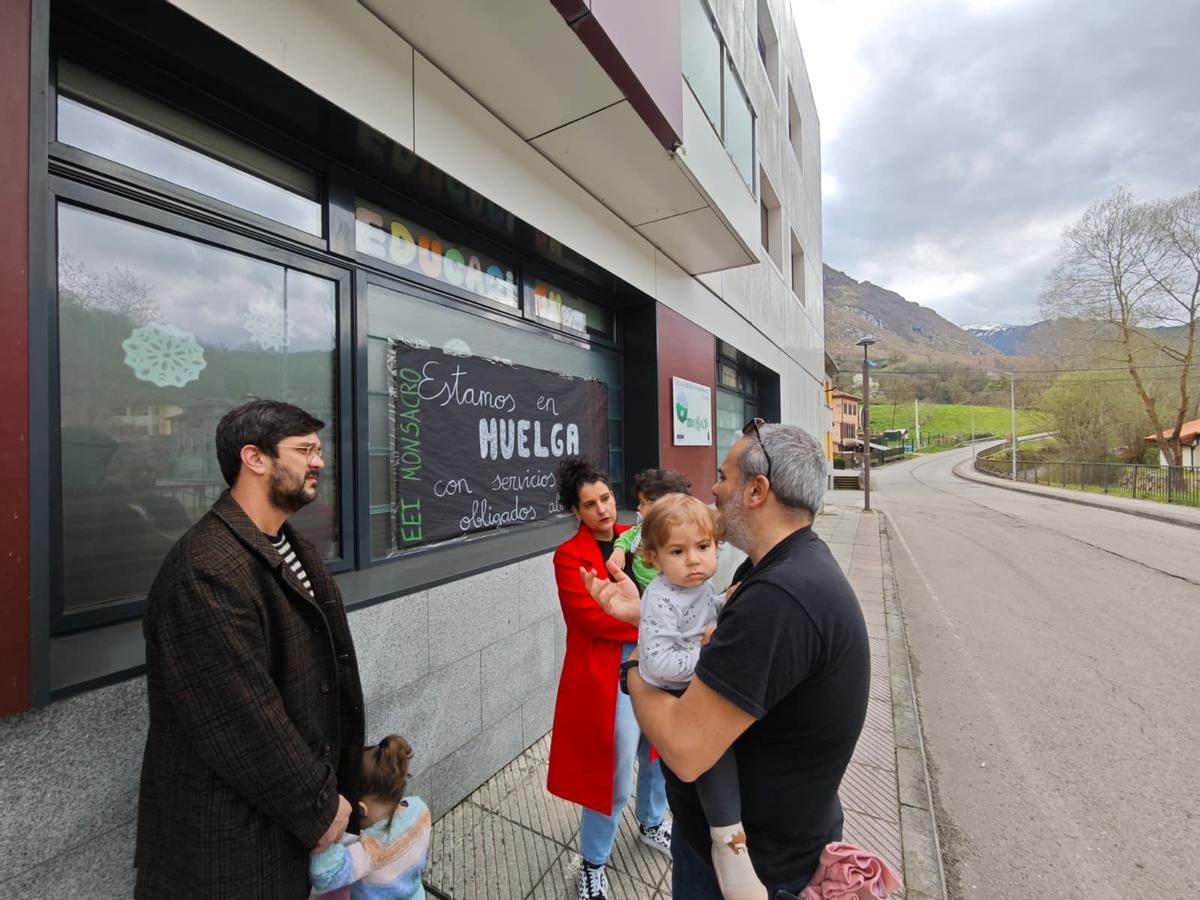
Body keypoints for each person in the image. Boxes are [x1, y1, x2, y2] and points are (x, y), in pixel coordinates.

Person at [584, 422, 870, 898]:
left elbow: (685, 748)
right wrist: (648, 614)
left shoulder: (778, 598)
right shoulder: (779, 566)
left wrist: (632, 671)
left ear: (756, 490)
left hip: (751, 870)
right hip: (776, 844)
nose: (713, 490)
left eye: (723, 476)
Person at [135, 399, 366, 899]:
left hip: (281, 822)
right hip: (233, 838)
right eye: (304, 450)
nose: (319, 463)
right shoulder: (205, 570)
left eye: (319, 450)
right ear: (254, 458)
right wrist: (321, 806)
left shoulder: (285, 543)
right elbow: (242, 721)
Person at [545, 456, 671, 900]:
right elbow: (594, 618)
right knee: (613, 772)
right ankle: (593, 861)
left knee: (659, 750)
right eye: (589, 504)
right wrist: (656, 620)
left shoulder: (635, 535)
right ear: (575, 511)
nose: (602, 509)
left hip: (654, 659)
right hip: (607, 671)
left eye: (606, 497)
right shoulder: (568, 557)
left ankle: (653, 822)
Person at [633, 493, 766, 900]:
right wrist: (706, 655)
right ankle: (727, 840)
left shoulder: (699, 585)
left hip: (694, 676)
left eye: (703, 547)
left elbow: (704, 615)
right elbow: (656, 662)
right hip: (675, 689)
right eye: (678, 551)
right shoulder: (661, 597)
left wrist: (727, 601)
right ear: (654, 558)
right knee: (712, 755)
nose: (694, 560)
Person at [310, 735, 432, 900]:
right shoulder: (420, 810)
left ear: (361, 809)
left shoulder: (369, 852)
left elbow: (324, 875)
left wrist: (327, 826)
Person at [607, 467, 693, 593]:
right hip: (643, 592)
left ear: (660, 506)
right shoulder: (642, 529)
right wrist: (619, 550)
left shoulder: (679, 534)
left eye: (642, 503)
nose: (638, 507)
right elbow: (626, 537)